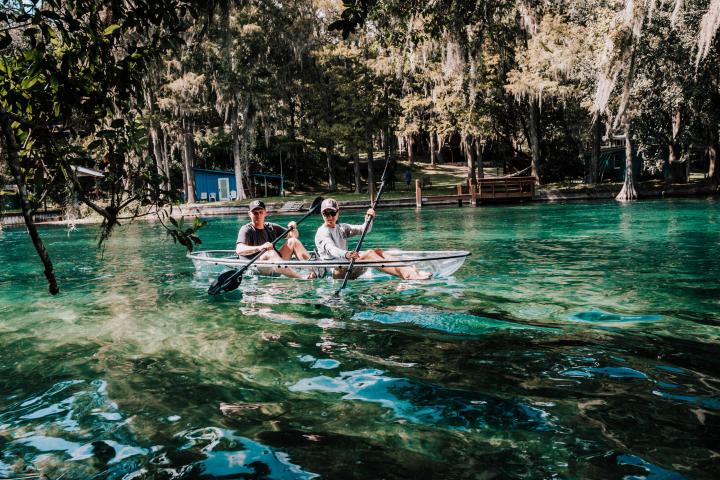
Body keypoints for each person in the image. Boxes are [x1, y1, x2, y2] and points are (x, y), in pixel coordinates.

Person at [314, 198, 432, 280]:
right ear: (322, 214)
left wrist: (368, 219)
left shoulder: (342, 228)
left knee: (378, 252)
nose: (329, 217)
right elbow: (332, 249)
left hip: (345, 265)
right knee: (370, 254)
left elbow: (364, 230)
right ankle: (408, 275)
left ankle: (410, 271)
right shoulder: (322, 232)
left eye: (332, 213)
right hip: (335, 273)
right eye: (326, 214)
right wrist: (347, 254)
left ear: (338, 213)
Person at [236, 200, 313, 279]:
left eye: (261, 212)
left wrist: (293, 228)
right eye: (255, 213)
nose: (258, 215)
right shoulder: (246, 229)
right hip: (254, 268)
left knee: (293, 241)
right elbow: (239, 249)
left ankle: (315, 271)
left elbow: (294, 236)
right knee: (270, 253)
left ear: (265, 212)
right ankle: (301, 278)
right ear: (249, 214)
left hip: (275, 265)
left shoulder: (271, 227)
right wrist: (260, 247)